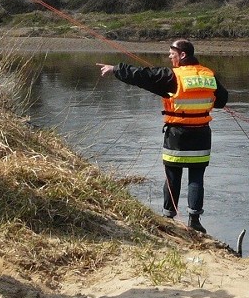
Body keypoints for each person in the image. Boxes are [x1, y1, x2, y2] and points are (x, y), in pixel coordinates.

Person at [98, 39, 228, 233]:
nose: (169, 57)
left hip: (177, 135)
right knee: (196, 177)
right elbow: (222, 100)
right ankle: (194, 220)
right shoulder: (209, 75)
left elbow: (142, 76)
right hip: (201, 135)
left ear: (182, 55)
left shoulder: (172, 75)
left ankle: (168, 216)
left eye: (171, 53)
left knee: (172, 176)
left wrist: (115, 69)